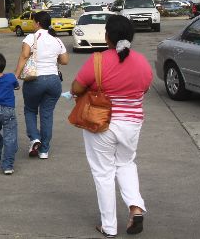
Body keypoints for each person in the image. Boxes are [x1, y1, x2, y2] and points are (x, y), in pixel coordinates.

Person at [71, 15, 152, 238]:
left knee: (103, 173)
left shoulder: (97, 60)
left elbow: (77, 88)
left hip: (102, 123)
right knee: (126, 163)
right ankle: (135, 207)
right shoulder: (142, 62)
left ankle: (109, 226)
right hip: (132, 124)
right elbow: (144, 89)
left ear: (107, 36)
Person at [15, 10, 69, 160]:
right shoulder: (56, 40)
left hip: (35, 80)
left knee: (30, 109)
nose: (32, 24)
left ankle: (34, 138)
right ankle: (44, 150)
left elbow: (24, 55)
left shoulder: (31, 37)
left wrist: (16, 75)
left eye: (33, 22)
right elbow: (64, 60)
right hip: (53, 81)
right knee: (47, 114)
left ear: (38, 23)